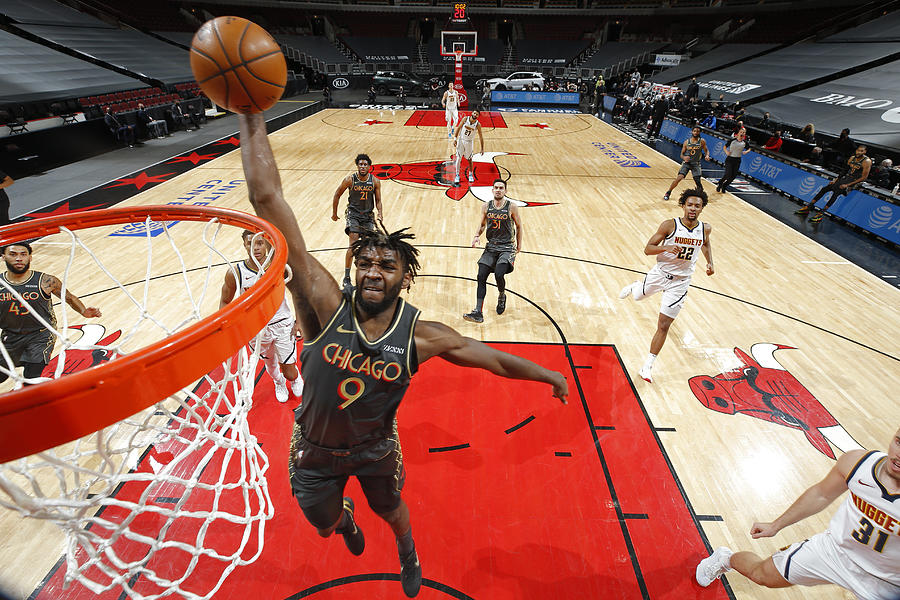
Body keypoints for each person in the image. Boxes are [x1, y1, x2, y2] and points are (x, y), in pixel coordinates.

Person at [235, 112, 569, 598]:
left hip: (374, 448)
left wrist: (548, 375)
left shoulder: (419, 335)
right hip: (313, 448)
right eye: (366, 262)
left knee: (392, 512)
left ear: (404, 278)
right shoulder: (325, 303)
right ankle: (345, 524)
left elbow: (489, 357)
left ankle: (407, 550)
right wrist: (250, 113)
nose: (373, 271)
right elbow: (267, 200)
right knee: (324, 526)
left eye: (387, 265)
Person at [696, 426, 900, 599]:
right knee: (761, 575)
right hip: (834, 551)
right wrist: (776, 525)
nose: (899, 454)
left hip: (888, 583)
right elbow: (821, 494)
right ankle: (725, 559)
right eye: (898, 442)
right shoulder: (858, 463)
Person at [618, 188, 714, 383]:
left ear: (702, 208)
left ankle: (647, 366)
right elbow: (647, 249)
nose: (693, 209)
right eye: (690, 205)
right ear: (683, 205)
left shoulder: (705, 228)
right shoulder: (669, 225)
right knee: (637, 297)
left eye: (697, 205)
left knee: (663, 325)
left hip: (680, 282)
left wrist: (710, 262)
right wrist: (666, 247)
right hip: (660, 274)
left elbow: (705, 243)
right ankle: (636, 285)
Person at [219, 230, 304, 403]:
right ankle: (277, 382)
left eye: (259, 243)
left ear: (266, 244)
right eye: (250, 243)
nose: (255, 247)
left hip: (282, 324)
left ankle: (294, 378)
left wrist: (299, 321)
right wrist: (228, 328)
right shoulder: (236, 272)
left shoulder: (279, 265)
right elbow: (225, 300)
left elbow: (298, 293)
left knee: (289, 371)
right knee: (271, 366)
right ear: (244, 245)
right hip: (256, 329)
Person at [0, 242, 102, 385]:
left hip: (40, 335)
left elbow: (69, 297)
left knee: (32, 379)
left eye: (23, 254)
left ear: (30, 257)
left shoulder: (46, 281)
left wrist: (84, 311)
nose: (19, 258)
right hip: (10, 335)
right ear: (3, 257)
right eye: (13, 254)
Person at [463, 179, 522, 323]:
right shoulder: (486, 206)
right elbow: (482, 224)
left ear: (505, 191)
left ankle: (502, 295)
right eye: (496, 187)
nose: (498, 190)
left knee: (499, 274)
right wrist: (477, 235)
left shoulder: (511, 207)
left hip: (507, 247)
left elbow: (519, 226)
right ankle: (478, 311)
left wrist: (519, 245)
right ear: (492, 190)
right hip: (491, 247)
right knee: (481, 275)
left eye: (501, 188)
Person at [332, 154, 383, 289]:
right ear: (357, 166)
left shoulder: (375, 181)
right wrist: (334, 213)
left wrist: (380, 214)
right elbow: (337, 194)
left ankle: (367, 275)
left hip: (367, 216)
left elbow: (378, 200)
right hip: (353, 214)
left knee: (368, 248)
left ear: (369, 167)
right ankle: (347, 276)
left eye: (365, 164)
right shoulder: (350, 180)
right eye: (360, 164)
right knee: (353, 245)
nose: (362, 166)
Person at [796, 144, 872, 223]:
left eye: (861, 151)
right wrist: (836, 180)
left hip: (854, 182)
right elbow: (844, 171)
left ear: (865, 152)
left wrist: (848, 185)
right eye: (858, 150)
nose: (859, 152)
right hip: (845, 178)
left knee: (836, 193)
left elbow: (864, 178)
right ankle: (809, 207)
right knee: (825, 189)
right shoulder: (852, 158)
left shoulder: (867, 161)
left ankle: (821, 213)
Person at [662, 126, 711, 200]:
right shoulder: (686, 142)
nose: (696, 132)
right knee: (679, 178)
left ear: (699, 132)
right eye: (694, 131)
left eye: (697, 131)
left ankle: (702, 196)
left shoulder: (702, 141)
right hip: (687, 163)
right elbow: (681, 154)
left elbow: (706, 150)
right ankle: (668, 192)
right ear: (692, 132)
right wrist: (684, 157)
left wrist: (707, 155)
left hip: (696, 163)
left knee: (697, 181)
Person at [452, 108, 484, 185]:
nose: (475, 115)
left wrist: (482, 148)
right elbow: (458, 128)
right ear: (472, 113)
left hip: (469, 142)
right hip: (461, 140)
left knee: (469, 159)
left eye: (477, 114)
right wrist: (455, 139)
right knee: (459, 158)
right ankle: (457, 175)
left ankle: (470, 174)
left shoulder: (478, 125)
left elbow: (481, 137)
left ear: (478, 116)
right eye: (474, 113)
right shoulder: (465, 119)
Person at [716, 127, 751, 194]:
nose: (742, 133)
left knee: (733, 176)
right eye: (741, 132)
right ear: (738, 133)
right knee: (728, 174)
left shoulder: (745, 142)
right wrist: (726, 152)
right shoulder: (732, 140)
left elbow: (749, 148)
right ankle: (720, 183)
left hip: (737, 160)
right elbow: (725, 146)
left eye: (744, 133)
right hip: (730, 159)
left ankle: (724, 186)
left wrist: (746, 151)